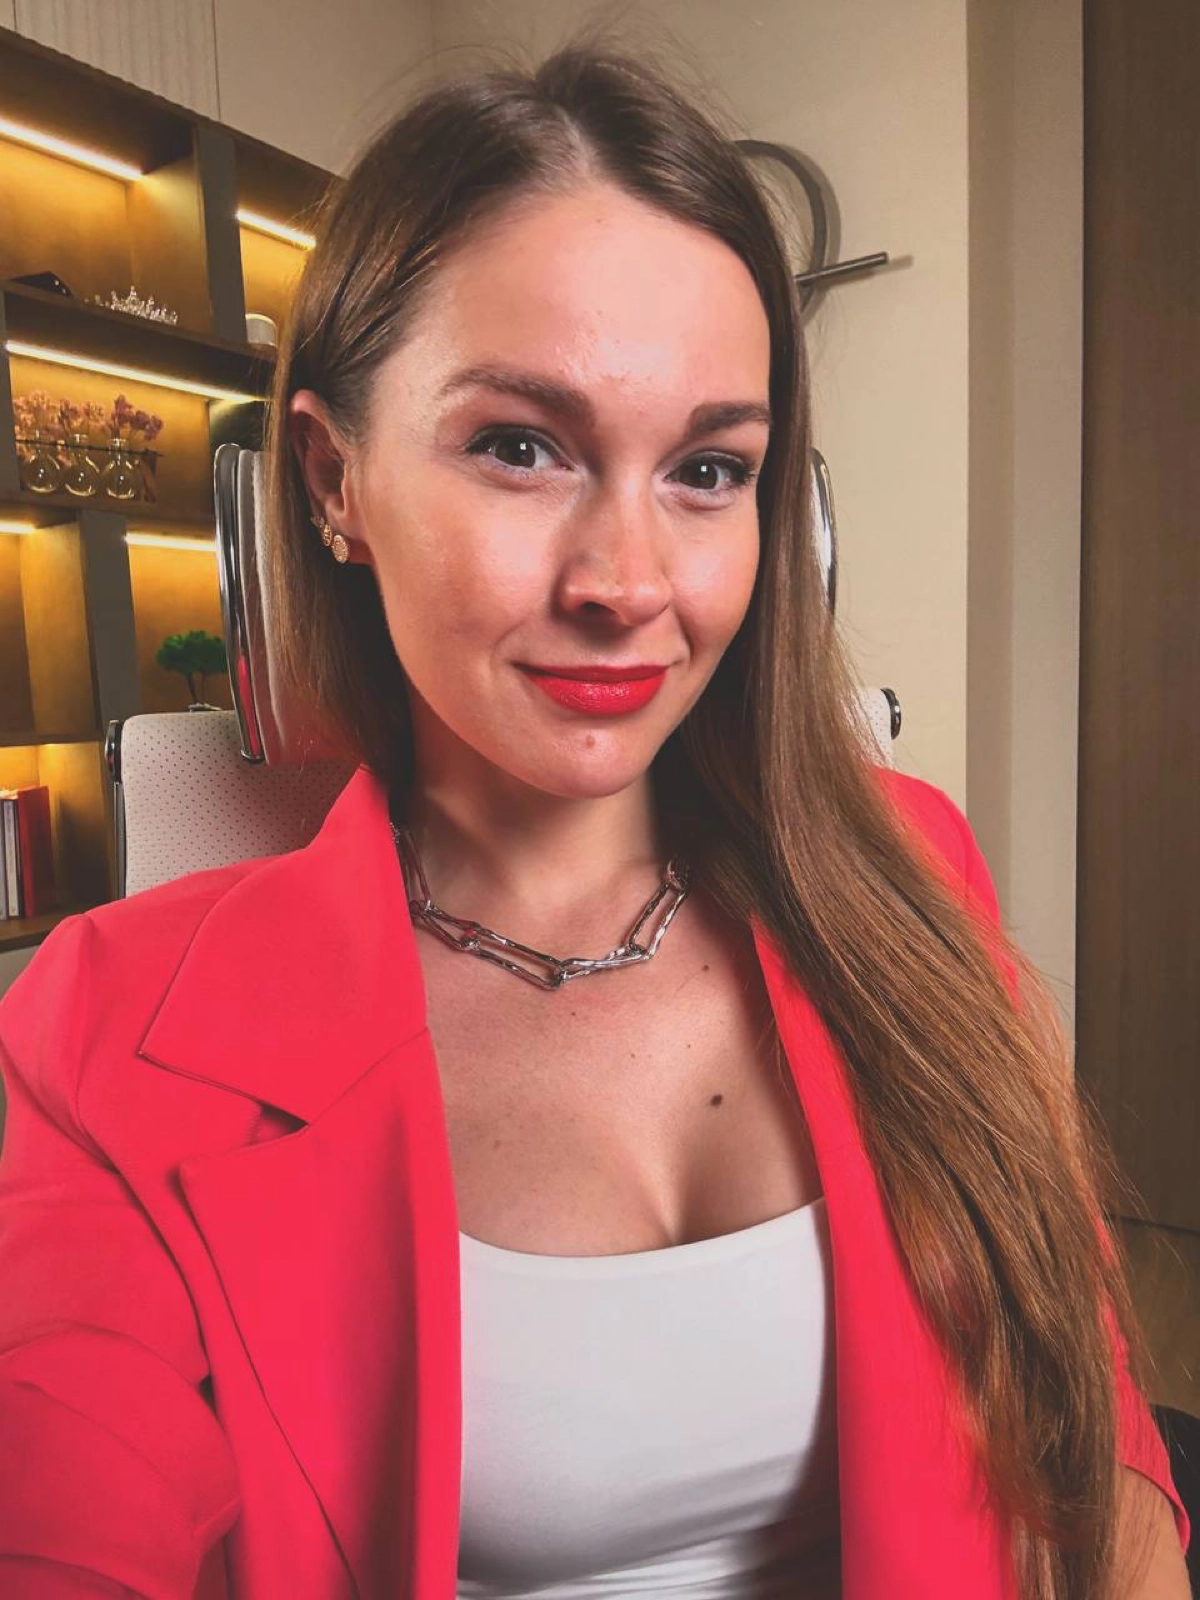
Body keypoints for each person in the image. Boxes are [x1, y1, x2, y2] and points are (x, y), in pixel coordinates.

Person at [0, 27, 1191, 1600]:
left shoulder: (906, 865)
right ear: (335, 480)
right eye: (521, 447)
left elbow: (1088, 1414)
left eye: (708, 470)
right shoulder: (100, 1024)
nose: (628, 583)